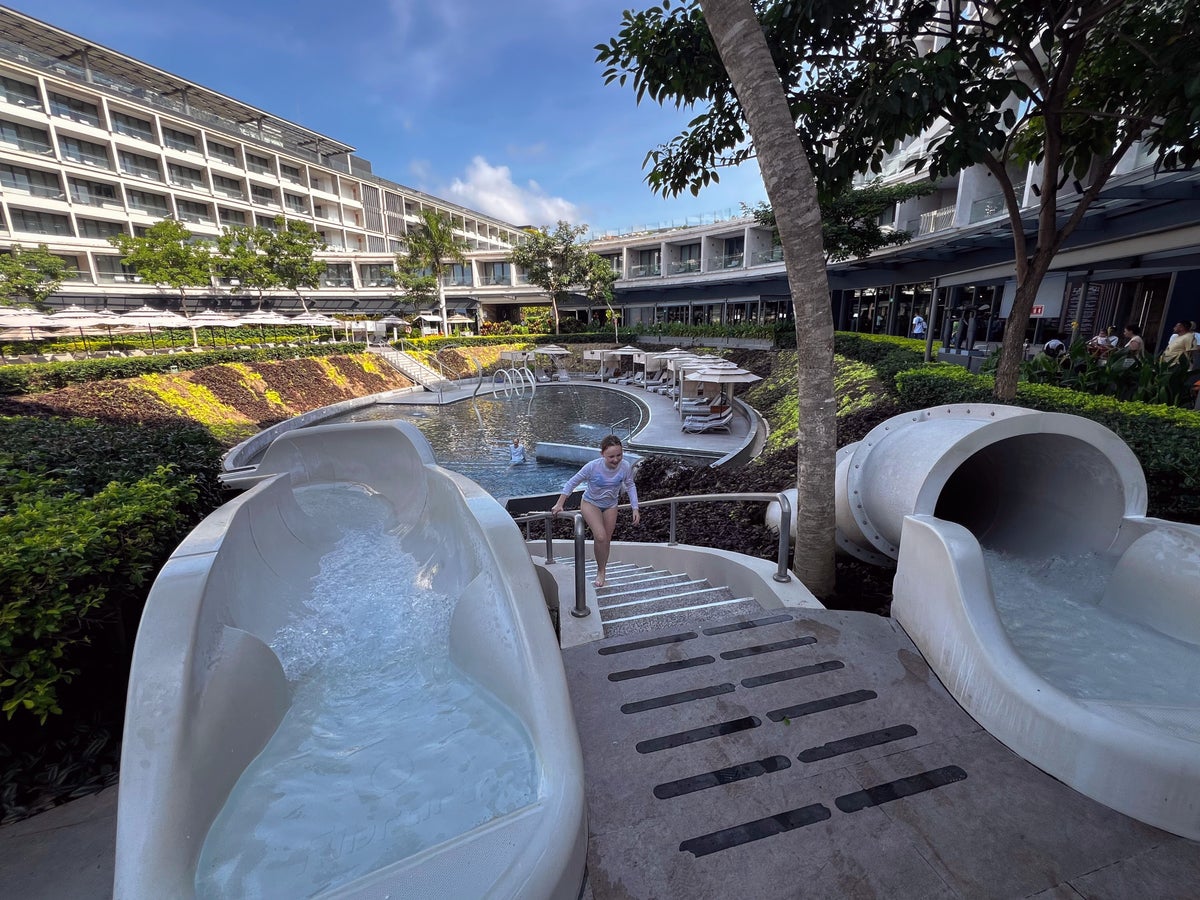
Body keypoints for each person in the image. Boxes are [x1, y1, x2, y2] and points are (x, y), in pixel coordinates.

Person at [551, 435, 640, 588]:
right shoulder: (593, 467)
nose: (616, 459)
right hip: (590, 503)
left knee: (606, 539)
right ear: (602, 454)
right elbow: (572, 482)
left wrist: (635, 507)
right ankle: (600, 571)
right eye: (611, 456)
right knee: (600, 536)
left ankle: (602, 569)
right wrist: (560, 503)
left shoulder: (625, 466)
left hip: (611, 505)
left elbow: (630, 485)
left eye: (619, 455)